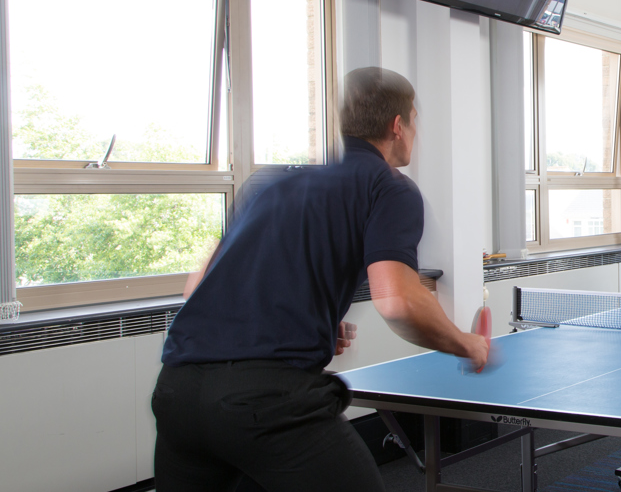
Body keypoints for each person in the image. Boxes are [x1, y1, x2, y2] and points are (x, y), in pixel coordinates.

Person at [152, 67, 489, 492]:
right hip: (267, 403)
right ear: (398, 126)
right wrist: (466, 343)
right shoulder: (389, 187)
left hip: (178, 392)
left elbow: (199, 289)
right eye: (415, 121)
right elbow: (397, 300)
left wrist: (305, 321)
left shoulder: (267, 182)